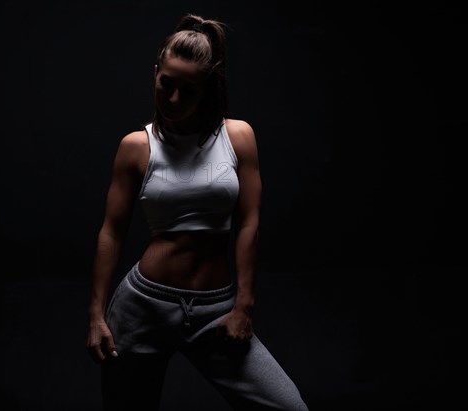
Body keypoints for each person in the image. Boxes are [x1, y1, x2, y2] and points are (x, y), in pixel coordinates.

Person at [86, 13, 309, 411]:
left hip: (215, 310)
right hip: (142, 307)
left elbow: (248, 224)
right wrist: (96, 315)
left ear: (207, 89)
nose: (173, 99)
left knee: (288, 406)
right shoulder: (136, 146)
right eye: (165, 84)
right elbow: (111, 232)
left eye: (187, 91)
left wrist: (244, 306)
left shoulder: (238, 137)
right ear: (155, 73)